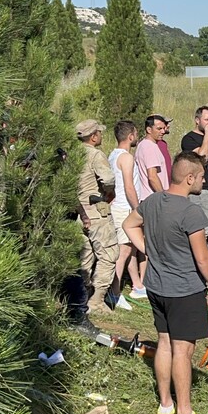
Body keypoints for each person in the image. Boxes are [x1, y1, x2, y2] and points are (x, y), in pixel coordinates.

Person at [123, 152, 208, 414]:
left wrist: (149, 250)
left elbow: (128, 225)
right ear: (189, 177)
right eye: (202, 176)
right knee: (183, 351)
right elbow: (203, 258)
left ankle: (165, 405)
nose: (204, 181)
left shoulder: (152, 201)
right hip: (184, 290)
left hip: (156, 287)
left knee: (165, 344)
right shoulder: (190, 211)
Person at [76, 119, 119, 313]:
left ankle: (82, 294)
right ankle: (97, 300)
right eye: (99, 133)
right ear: (93, 136)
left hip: (79, 211)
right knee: (108, 254)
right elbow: (108, 179)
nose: (101, 136)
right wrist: (108, 191)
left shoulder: (74, 154)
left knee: (85, 255)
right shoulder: (95, 155)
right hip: (96, 210)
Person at [106, 120, 144, 308]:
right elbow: (129, 186)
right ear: (130, 136)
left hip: (118, 206)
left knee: (130, 248)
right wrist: (138, 208)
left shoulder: (113, 155)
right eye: (136, 134)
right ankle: (114, 292)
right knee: (124, 251)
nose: (137, 137)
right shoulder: (127, 158)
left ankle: (137, 284)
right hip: (124, 207)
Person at [179, 105, 208, 249]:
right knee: (202, 230)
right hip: (200, 190)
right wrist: (207, 135)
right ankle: (197, 261)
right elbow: (202, 157)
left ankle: (207, 258)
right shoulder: (189, 139)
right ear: (197, 120)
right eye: (207, 120)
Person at [135, 115, 170, 200]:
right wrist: (163, 197)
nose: (163, 131)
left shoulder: (143, 144)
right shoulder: (149, 147)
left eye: (163, 128)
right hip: (153, 197)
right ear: (149, 130)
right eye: (159, 129)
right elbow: (152, 176)